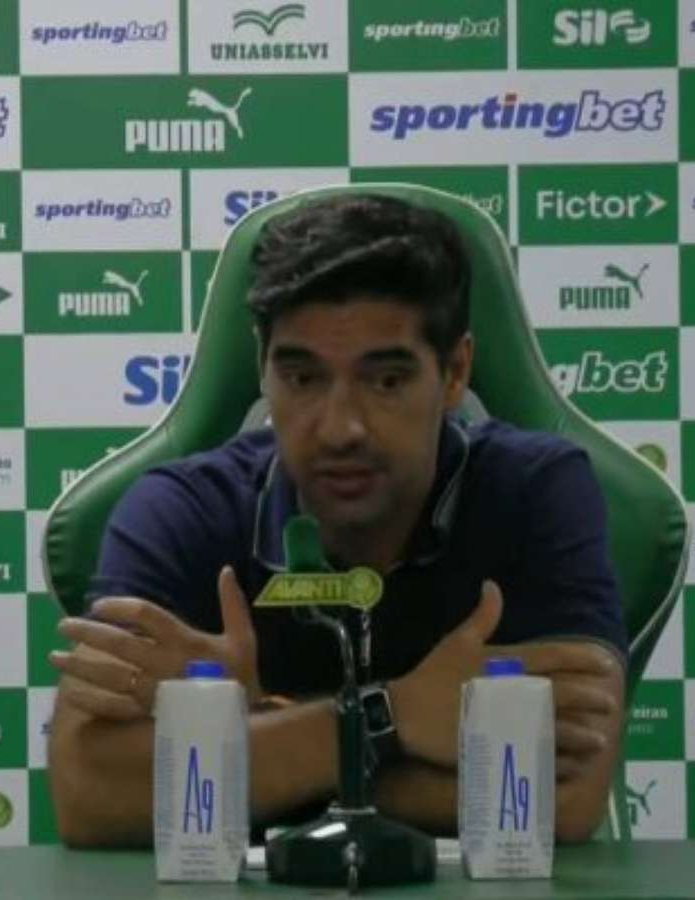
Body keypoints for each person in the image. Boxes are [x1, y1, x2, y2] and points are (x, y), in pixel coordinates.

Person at [47, 193, 627, 847]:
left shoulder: (537, 492)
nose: (340, 429)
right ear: (263, 368)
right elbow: (88, 796)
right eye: (303, 379)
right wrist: (394, 717)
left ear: (455, 372)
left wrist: (246, 735)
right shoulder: (181, 509)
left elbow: (563, 798)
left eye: (386, 381)